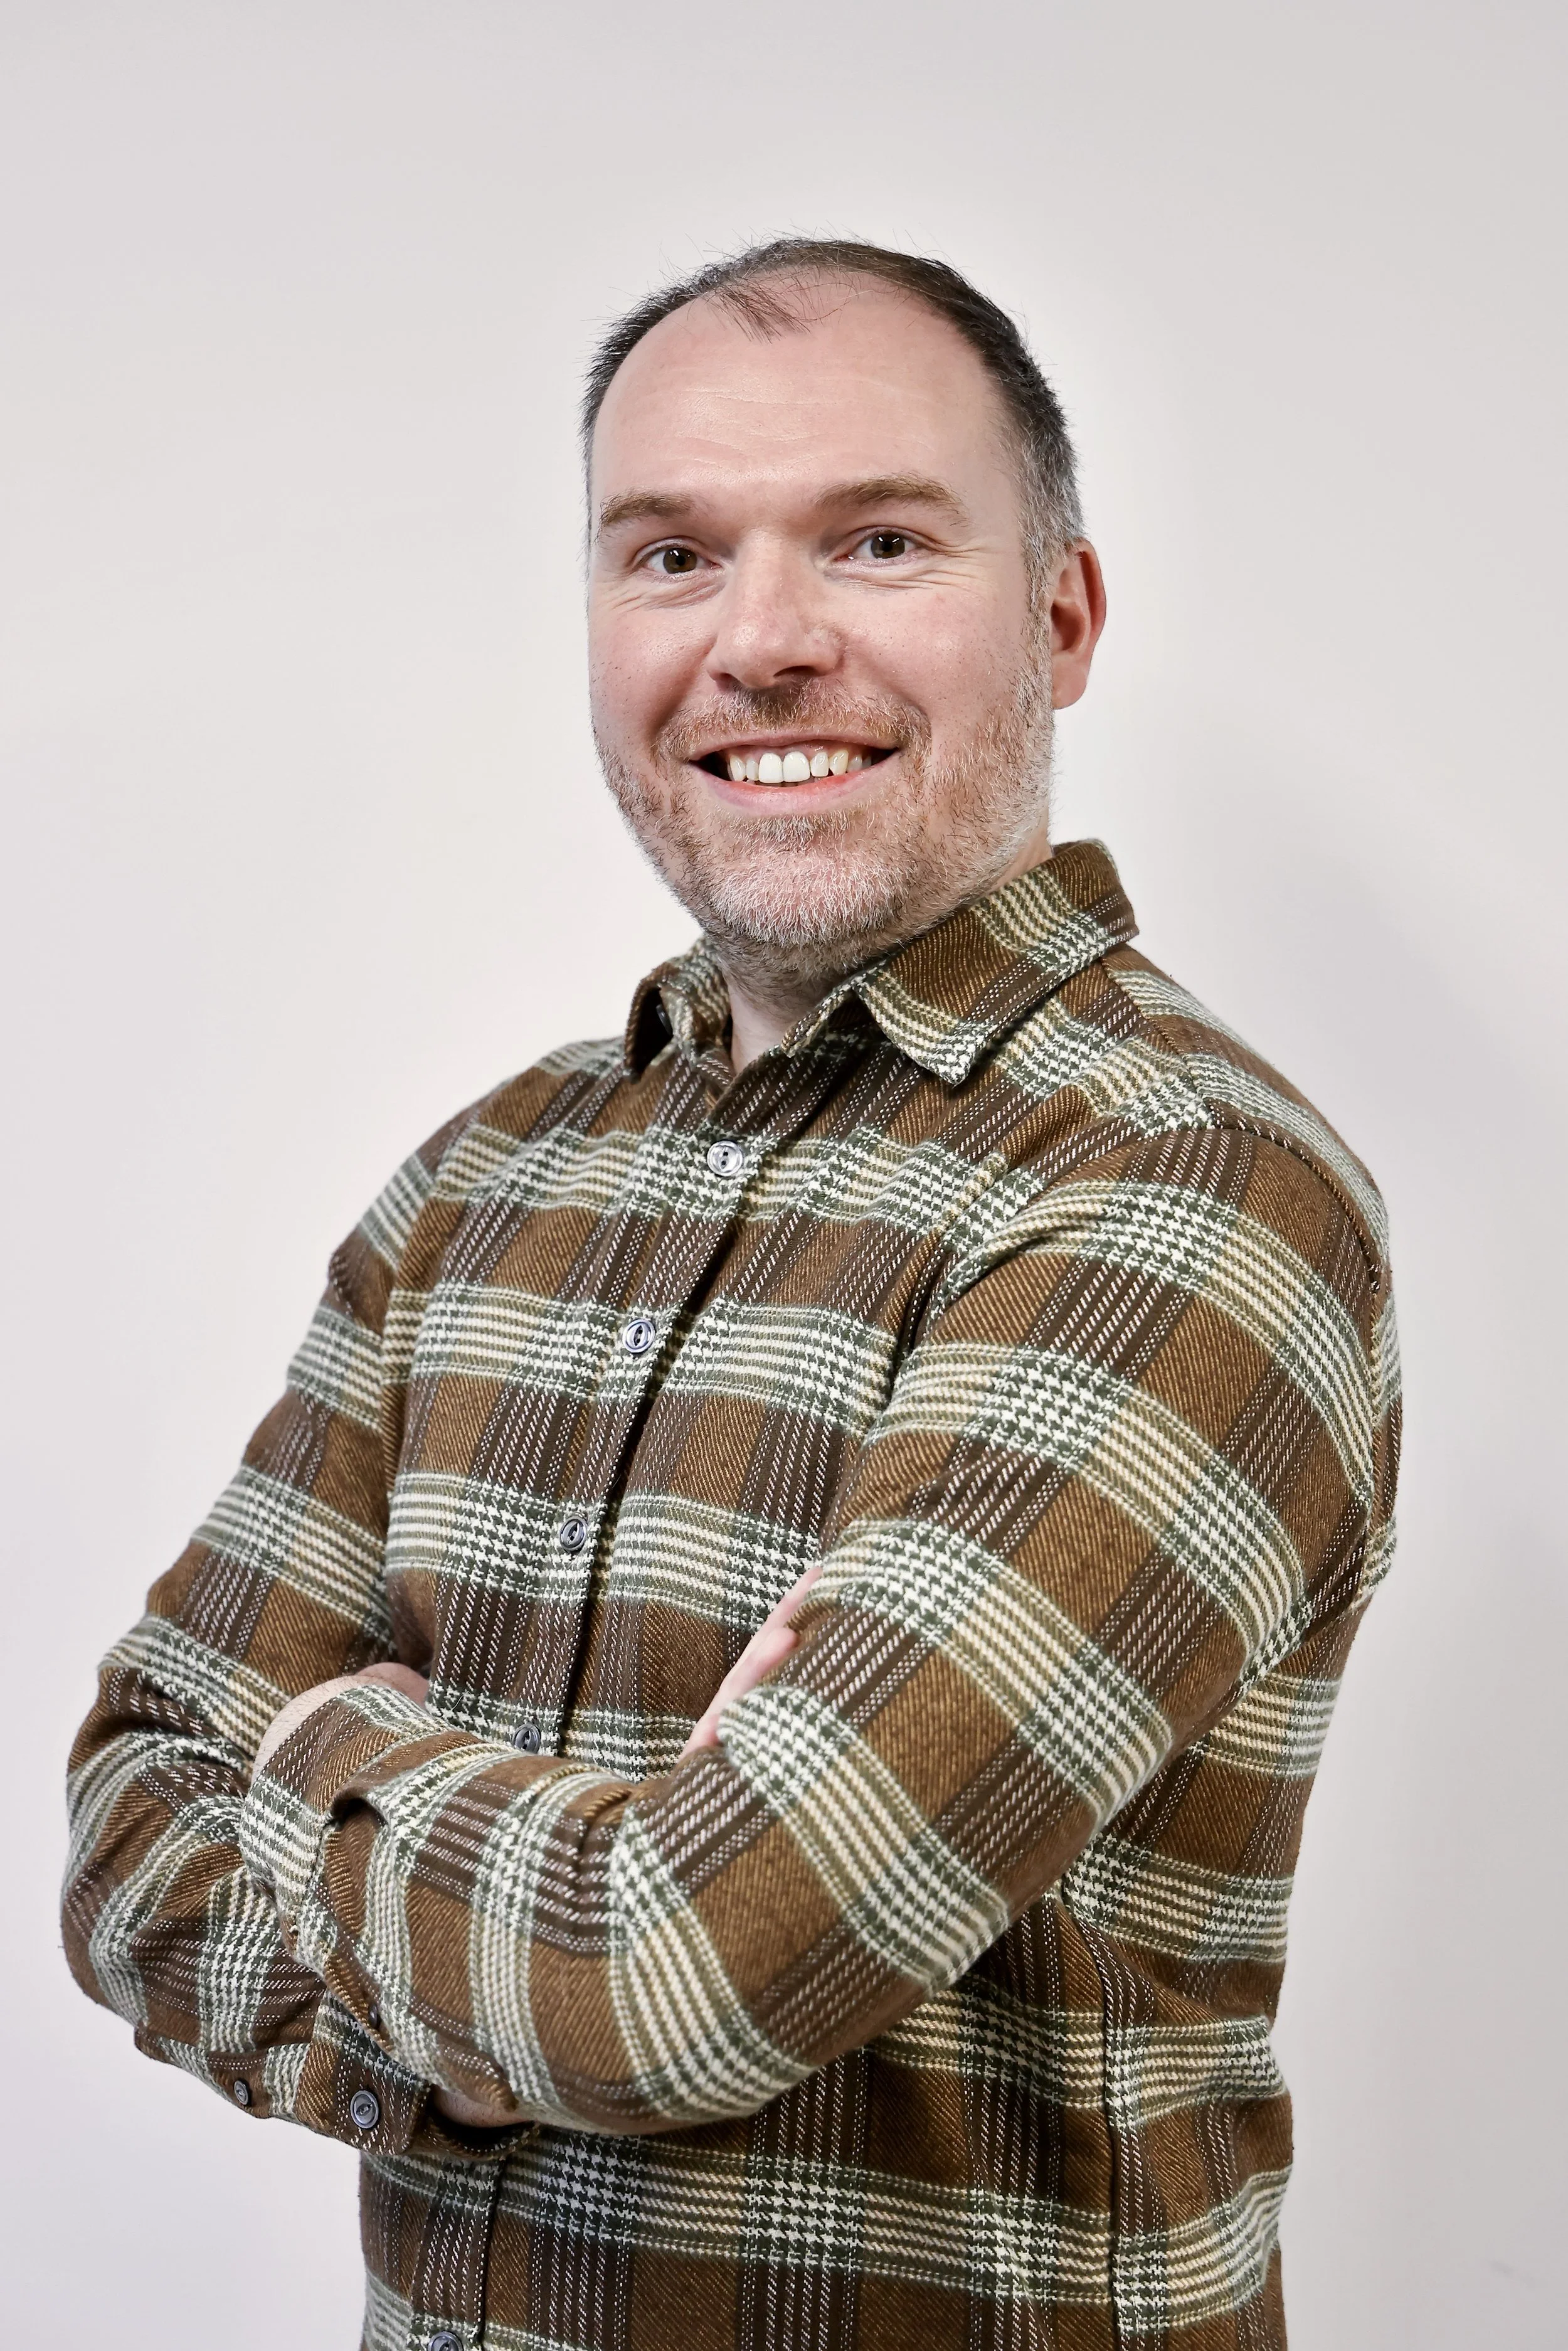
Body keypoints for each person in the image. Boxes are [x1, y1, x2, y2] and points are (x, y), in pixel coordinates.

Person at [64, 238, 1399, 2351]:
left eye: (876, 540)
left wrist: (329, 1747)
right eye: (669, 557)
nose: (760, 644)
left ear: (1058, 619)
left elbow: (682, 1973)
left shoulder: (1183, 1187)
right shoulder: (486, 1176)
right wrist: (538, 1946)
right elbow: (130, 1812)